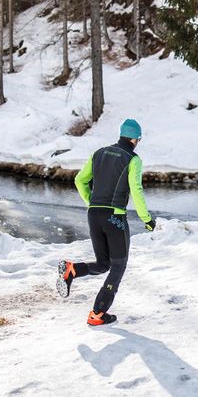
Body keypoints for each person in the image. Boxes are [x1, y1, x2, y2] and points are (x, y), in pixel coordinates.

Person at [57, 118, 156, 326]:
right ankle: (98, 313)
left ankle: (71, 270)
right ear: (137, 138)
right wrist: (147, 219)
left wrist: (92, 202)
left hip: (93, 214)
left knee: (104, 264)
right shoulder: (133, 159)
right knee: (118, 266)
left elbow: (79, 180)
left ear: (121, 135)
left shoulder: (98, 153)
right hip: (114, 217)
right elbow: (136, 191)